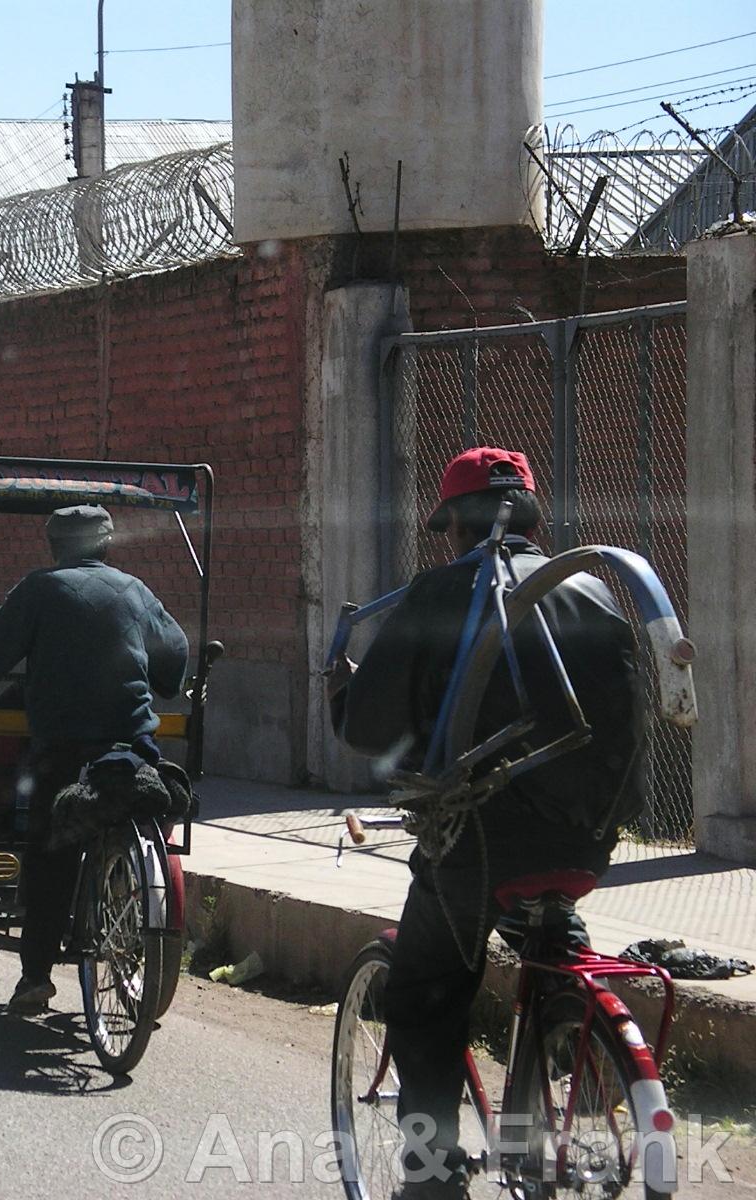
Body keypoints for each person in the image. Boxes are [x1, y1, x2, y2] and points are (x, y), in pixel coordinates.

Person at [326, 447, 645, 1199]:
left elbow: (370, 728)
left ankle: (430, 1180)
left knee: (422, 998)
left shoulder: (444, 592)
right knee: (545, 932)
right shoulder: (594, 593)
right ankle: (567, 1054)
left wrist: (343, 696)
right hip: (586, 844)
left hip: (476, 848)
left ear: (454, 526)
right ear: (534, 516)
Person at [0, 504, 190, 1016]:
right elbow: (175, 657)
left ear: (55, 546)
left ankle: (35, 975)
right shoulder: (134, 590)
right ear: (105, 546)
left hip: (64, 751)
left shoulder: (41, 589)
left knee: (48, 846)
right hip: (133, 748)